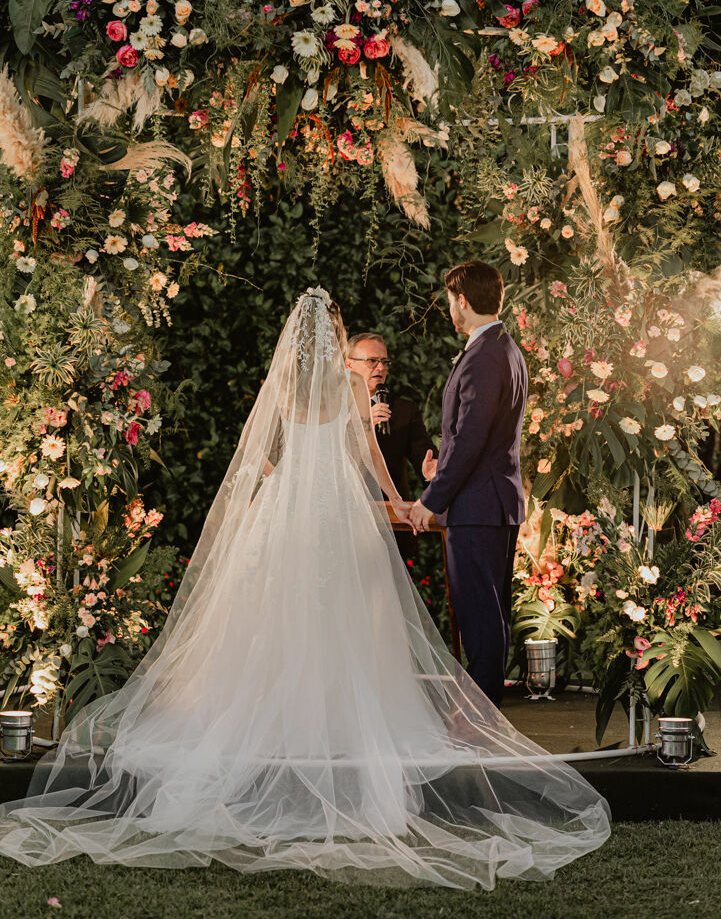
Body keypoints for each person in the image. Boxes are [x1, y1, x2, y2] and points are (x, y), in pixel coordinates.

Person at [0, 287, 609, 889]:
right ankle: (342, 718)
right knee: (350, 613)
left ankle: (275, 719)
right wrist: (403, 504)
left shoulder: (283, 385)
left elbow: (258, 454)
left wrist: (267, 494)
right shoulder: (349, 387)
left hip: (290, 505)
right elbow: (369, 454)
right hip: (338, 507)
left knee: (276, 609)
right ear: (337, 340)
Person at [410, 261, 528, 708]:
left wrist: (431, 498)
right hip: (493, 502)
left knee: (480, 619)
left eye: (449, 300)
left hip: (478, 507)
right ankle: (486, 719)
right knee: (490, 616)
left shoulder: (484, 355)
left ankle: (481, 723)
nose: (449, 308)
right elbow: (480, 436)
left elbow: (473, 438)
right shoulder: (504, 348)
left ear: (461, 300)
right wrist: (441, 468)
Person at [345, 332, 435, 561]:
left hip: (393, 523)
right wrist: (361, 424)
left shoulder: (404, 410)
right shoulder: (333, 408)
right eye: (371, 361)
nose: (380, 367)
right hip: (346, 519)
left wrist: (430, 470)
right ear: (349, 364)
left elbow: (423, 453)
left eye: (384, 361)